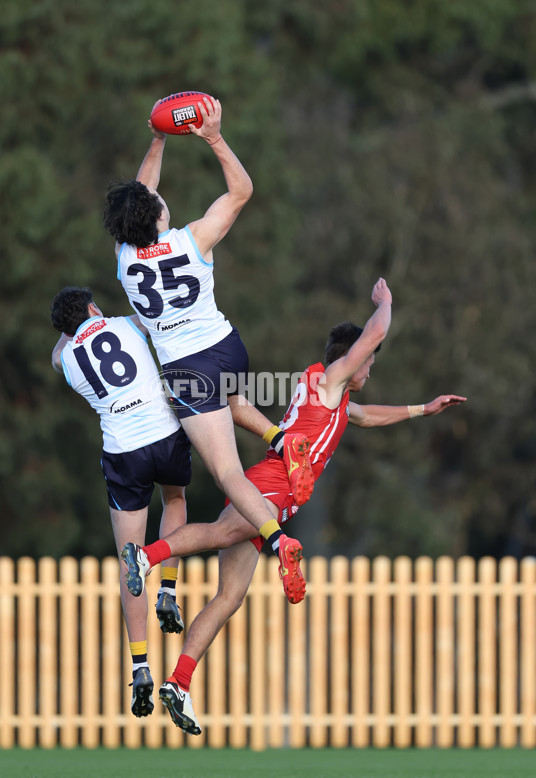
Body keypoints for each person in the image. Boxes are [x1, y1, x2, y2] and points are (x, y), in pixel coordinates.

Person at [121, 277, 467, 734]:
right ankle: (145, 557)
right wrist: (384, 303)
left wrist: (424, 408)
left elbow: (368, 417)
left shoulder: (334, 397)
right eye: (367, 365)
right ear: (350, 360)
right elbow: (376, 334)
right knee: (224, 533)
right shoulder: (331, 380)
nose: (369, 372)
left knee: (229, 596)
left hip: (269, 486)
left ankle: (179, 682)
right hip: (273, 484)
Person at [103, 95, 312, 604]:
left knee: (227, 473)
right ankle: (283, 439)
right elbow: (242, 191)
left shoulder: (124, 260)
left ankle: (278, 540)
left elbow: (140, 193)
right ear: (158, 213)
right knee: (233, 404)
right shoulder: (194, 238)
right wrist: (212, 137)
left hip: (186, 371)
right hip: (227, 348)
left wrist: (158, 137)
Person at [50, 286, 192, 719]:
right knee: (176, 500)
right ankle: (168, 591)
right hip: (163, 435)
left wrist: (68, 329)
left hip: (123, 451)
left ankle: (141, 666)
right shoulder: (128, 323)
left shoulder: (69, 360)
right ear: (94, 308)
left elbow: (59, 353)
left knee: (129, 560)